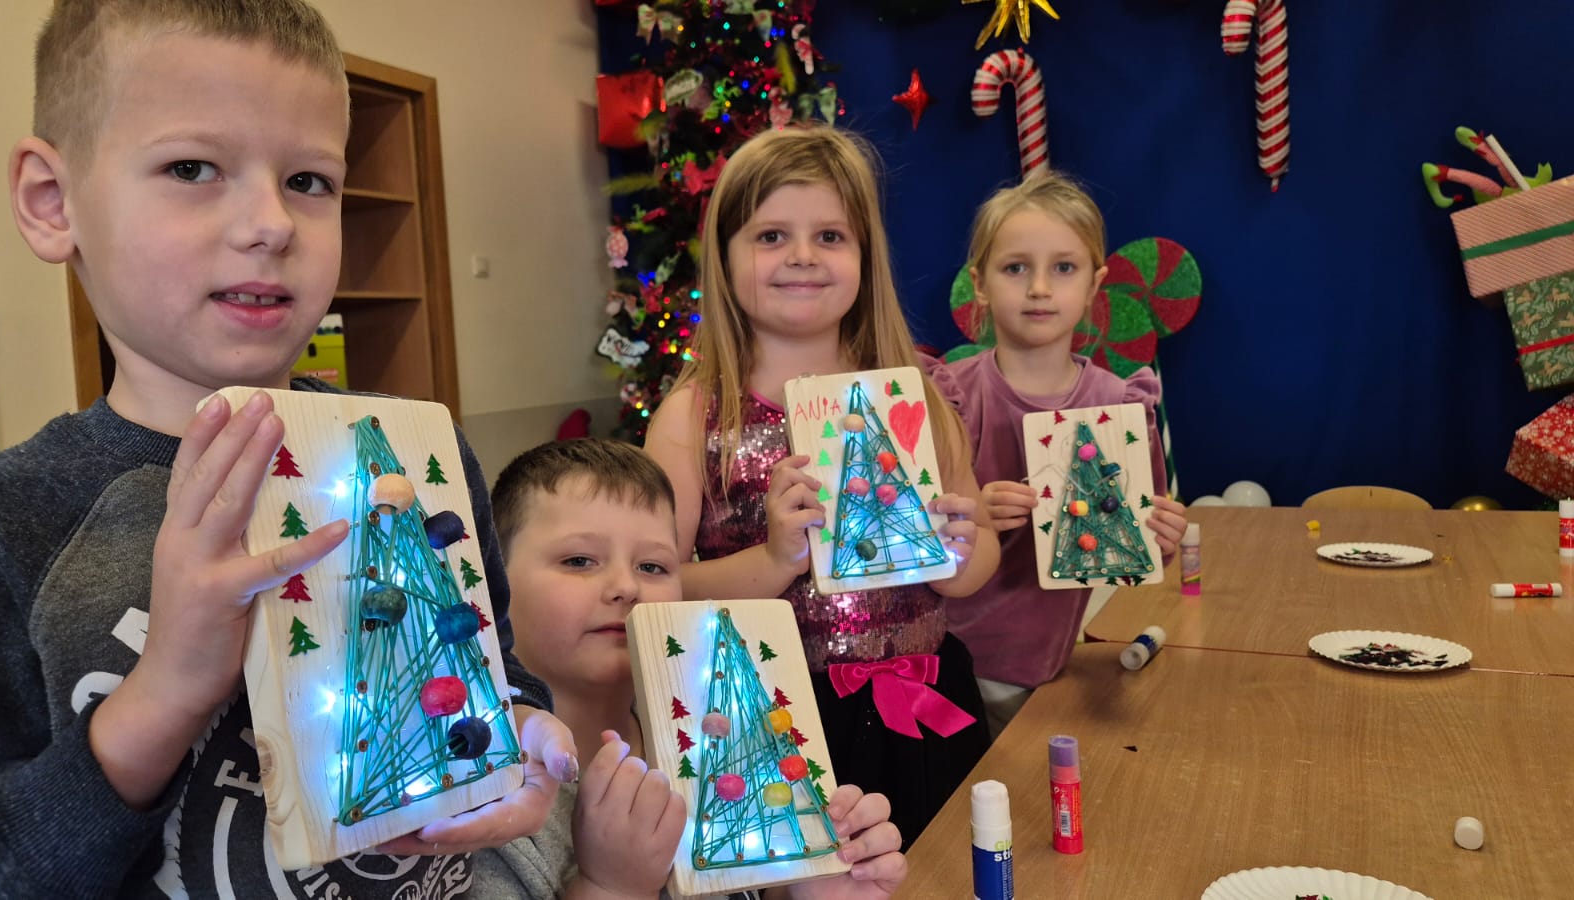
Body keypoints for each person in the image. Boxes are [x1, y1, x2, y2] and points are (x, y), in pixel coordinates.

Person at [0, 2, 574, 895]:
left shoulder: (419, 455)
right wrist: (165, 692)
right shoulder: (0, 521)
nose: (272, 223)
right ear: (52, 202)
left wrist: (523, 736)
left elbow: (502, 673)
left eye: (308, 180)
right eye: (192, 168)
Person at [644, 125, 999, 848]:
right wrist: (775, 559)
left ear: (865, 255)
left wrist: (958, 555)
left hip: (927, 697)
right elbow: (660, 587)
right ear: (725, 258)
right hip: (777, 724)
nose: (803, 255)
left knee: (944, 871)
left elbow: (979, 548)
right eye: (771, 236)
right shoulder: (693, 417)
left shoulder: (917, 399)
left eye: (830, 236)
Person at [485, 438, 907, 899]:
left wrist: (805, 891)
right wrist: (609, 887)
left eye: (652, 566)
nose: (627, 586)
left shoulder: (716, 731)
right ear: (494, 587)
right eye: (579, 560)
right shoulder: (482, 802)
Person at [927, 170, 1189, 736]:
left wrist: (1162, 537)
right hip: (947, 670)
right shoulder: (950, 397)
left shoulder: (1120, 407)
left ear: (1095, 284)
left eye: (1063, 268)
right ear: (979, 283)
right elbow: (911, 536)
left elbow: (1136, 546)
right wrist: (973, 516)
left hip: (1052, 672)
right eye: (1016, 268)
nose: (1040, 288)